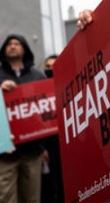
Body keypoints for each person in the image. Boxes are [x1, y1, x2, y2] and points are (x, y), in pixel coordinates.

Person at [0, 34, 46, 203]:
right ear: (4, 49)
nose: (12, 46)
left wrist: (44, 146)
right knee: (3, 199)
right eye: (9, 44)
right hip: (2, 154)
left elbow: (46, 112)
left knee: (32, 199)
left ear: (25, 49)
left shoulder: (38, 76)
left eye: (17, 43)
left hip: (31, 152)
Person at [41, 54, 63, 203]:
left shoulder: (69, 84)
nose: (50, 70)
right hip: (50, 145)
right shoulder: (40, 91)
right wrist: (42, 148)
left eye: (54, 66)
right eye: (48, 67)